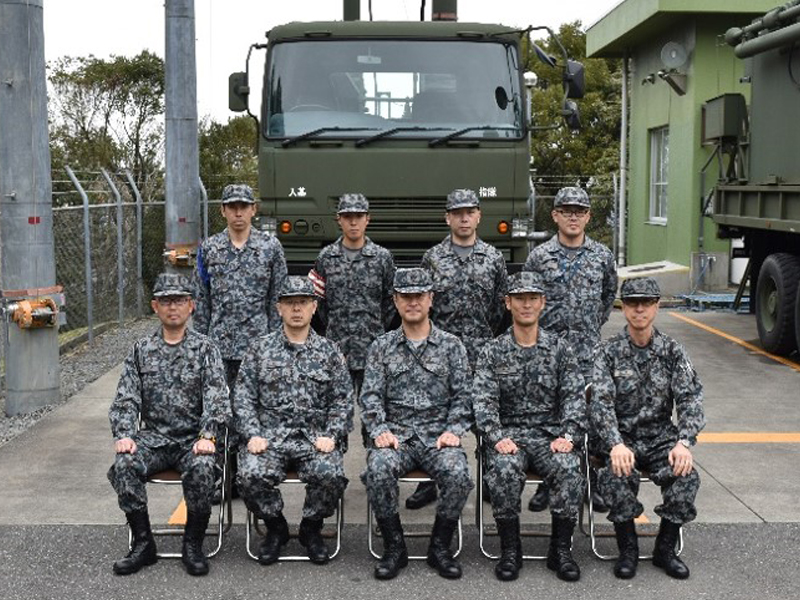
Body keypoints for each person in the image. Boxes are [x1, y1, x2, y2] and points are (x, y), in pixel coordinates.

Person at [107, 273, 230, 576]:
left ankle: (193, 544)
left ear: (191, 306)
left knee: (202, 467)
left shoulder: (206, 349)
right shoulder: (141, 350)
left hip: (193, 439)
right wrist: (124, 434)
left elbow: (217, 398)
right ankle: (143, 543)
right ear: (155, 306)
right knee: (124, 464)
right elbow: (126, 398)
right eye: (165, 301)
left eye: (179, 300)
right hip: (155, 440)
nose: (172, 307)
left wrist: (207, 435)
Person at [360, 268, 474, 580]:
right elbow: (369, 397)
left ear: (431, 299)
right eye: (406, 297)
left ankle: (440, 545)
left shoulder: (452, 346)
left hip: (438, 436)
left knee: (458, 474)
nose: (413, 302)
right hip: (396, 436)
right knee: (378, 470)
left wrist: (454, 430)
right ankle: (395, 546)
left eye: (419, 296)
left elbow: (465, 396)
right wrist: (379, 430)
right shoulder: (381, 347)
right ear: (395, 301)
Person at [473, 271, 586, 582]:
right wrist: (496, 437)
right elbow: (482, 403)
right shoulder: (492, 351)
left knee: (568, 467)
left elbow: (575, 399)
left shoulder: (561, 349)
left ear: (543, 303)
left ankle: (560, 550)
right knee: (505, 469)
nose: (526, 305)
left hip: (551, 436)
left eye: (532, 298)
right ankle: (511, 549)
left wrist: (569, 436)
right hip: (509, 437)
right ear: (508, 303)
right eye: (519, 298)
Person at [591, 277, 705, 580]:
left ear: (656, 306)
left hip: (660, 439)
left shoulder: (672, 351)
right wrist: (614, 443)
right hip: (622, 439)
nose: (639, 309)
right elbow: (600, 404)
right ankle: (627, 549)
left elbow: (690, 399)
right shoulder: (608, 352)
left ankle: (664, 550)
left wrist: (684, 442)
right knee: (614, 476)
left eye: (646, 302)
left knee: (686, 477)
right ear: (623, 308)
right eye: (631, 303)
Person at [234, 276, 353, 565]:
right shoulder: (259, 350)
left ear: (314, 307)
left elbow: (343, 400)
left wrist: (332, 434)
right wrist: (252, 434)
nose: (296, 309)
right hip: (269, 439)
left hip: (314, 439)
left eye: (302, 302)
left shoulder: (329, 352)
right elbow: (242, 398)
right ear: (279, 308)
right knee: (249, 475)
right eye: (289, 303)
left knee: (331, 475)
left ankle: (311, 528)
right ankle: (276, 528)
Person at [409, 188, 506, 510]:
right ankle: (429, 480)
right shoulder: (433, 258)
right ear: (447, 217)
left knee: (486, 414)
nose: (464, 218)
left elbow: (499, 308)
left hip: (481, 348)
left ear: (478, 216)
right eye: (457, 212)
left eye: (470, 212)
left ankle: (493, 476)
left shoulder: (493, 257)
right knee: (433, 413)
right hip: (439, 351)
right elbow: (425, 307)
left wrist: (483, 336)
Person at [523, 185, 617, 513]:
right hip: (548, 354)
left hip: (588, 353)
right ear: (555, 216)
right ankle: (549, 483)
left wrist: (587, 328)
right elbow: (529, 299)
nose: (573, 216)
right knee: (549, 418)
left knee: (588, 421)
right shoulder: (539, 257)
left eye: (579, 211)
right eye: (566, 211)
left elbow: (608, 297)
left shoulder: (602, 256)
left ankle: (590, 482)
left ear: (589, 216)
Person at [193, 183, 288, 499]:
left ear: (253, 209)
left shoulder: (270, 248)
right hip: (219, 347)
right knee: (220, 414)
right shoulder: (209, 249)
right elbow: (202, 299)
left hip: (257, 348)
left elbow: (279, 299)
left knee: (255, 413)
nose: (238, 212)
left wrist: (278, 344)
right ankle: (224, 477)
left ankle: (254, 475)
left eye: (243, 206)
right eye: (232, 206)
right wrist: (201, 346)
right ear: (222, 210)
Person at [309, 193, 396, 395]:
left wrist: (375, 325)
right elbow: (319, 302)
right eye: (348, 217)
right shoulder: (326, 257)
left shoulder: (382, 258)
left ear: (368, 219)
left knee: (372, 414)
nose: (353, 222)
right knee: (337, 414)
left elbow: (391, 301)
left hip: (373, 347)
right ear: (339, 219)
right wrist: (335, 325)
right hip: (337, 349)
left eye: (359, 216)